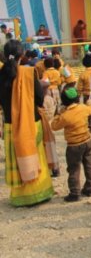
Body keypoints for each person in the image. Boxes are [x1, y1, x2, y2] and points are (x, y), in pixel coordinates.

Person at [0, 40, 55, 206]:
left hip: (10, 125)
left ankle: (20, 196)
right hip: (31, 121)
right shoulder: (28, 73)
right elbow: (39, 98)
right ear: (22, 54)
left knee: (16, 158)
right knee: (36, 154)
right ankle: (38, 192)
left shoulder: (1, 74)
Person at [51, 87, 91, 202]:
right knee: (89, 166)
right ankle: (90, 188)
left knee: (74, 169)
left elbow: (54, 126)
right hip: (87, 142)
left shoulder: (66, 115)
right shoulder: (83, 108)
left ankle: (75, 193)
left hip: (74, 146)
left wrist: (59, 113)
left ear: (64, 101)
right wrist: (90, 103)